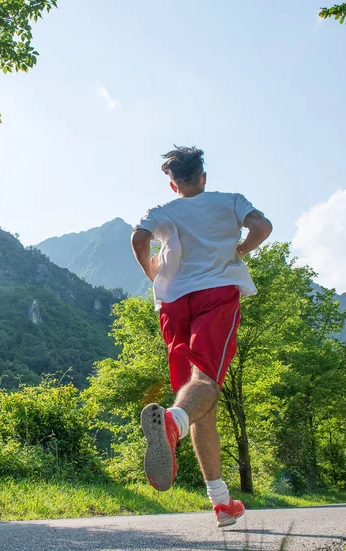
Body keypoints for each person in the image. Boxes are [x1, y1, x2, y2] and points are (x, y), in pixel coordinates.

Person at [131, 146, 272, 528]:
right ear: (204, 177)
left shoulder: (161, 211)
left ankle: (222, 502)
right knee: (205, 384)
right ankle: (173, 424)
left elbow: (139, 240)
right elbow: (263, 226)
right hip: (217, 295)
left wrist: (152, 273)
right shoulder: (230, 202)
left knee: (195, 397)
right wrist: (242, 248)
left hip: (174, 305)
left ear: (172, 183)